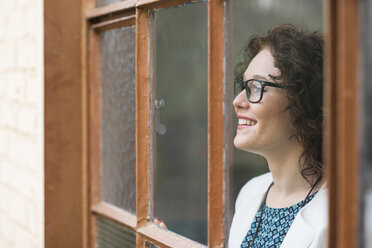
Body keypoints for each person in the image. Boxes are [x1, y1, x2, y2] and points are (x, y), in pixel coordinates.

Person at [228, 24, 327, 248]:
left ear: (303, 101)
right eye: (243, 85)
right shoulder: (250, 192)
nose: (237, 101)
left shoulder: (346, 217)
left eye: (256, 86)